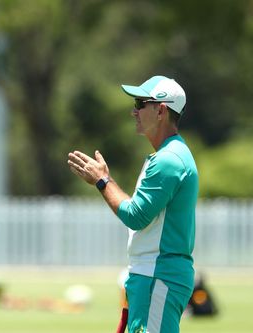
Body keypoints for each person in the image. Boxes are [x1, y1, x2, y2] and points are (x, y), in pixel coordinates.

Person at [68, 75, 198, 333]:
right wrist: (105, 180)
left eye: (140, 103)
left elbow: (136, 216)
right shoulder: (166, 155)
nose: (134, 111)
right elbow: (141, 210)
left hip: (158, 274)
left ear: (161, 110)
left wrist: (102, 181)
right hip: (152, 274)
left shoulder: (168, 160)